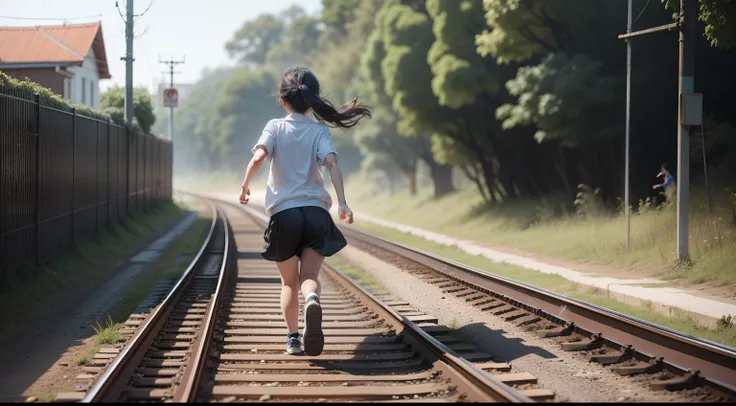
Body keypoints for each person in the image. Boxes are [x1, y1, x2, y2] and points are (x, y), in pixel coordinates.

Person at [238, 67, 371, 356]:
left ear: (283, 101)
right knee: (309, 275)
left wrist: (245, 185)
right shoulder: (319, 131)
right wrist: (343, 203)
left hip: (284, 215)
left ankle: (293, 339)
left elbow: (259, 157)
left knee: (288, 282)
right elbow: (333, 164)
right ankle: (311, 299)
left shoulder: (274, 127)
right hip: (315, 213)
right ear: (311, 102)